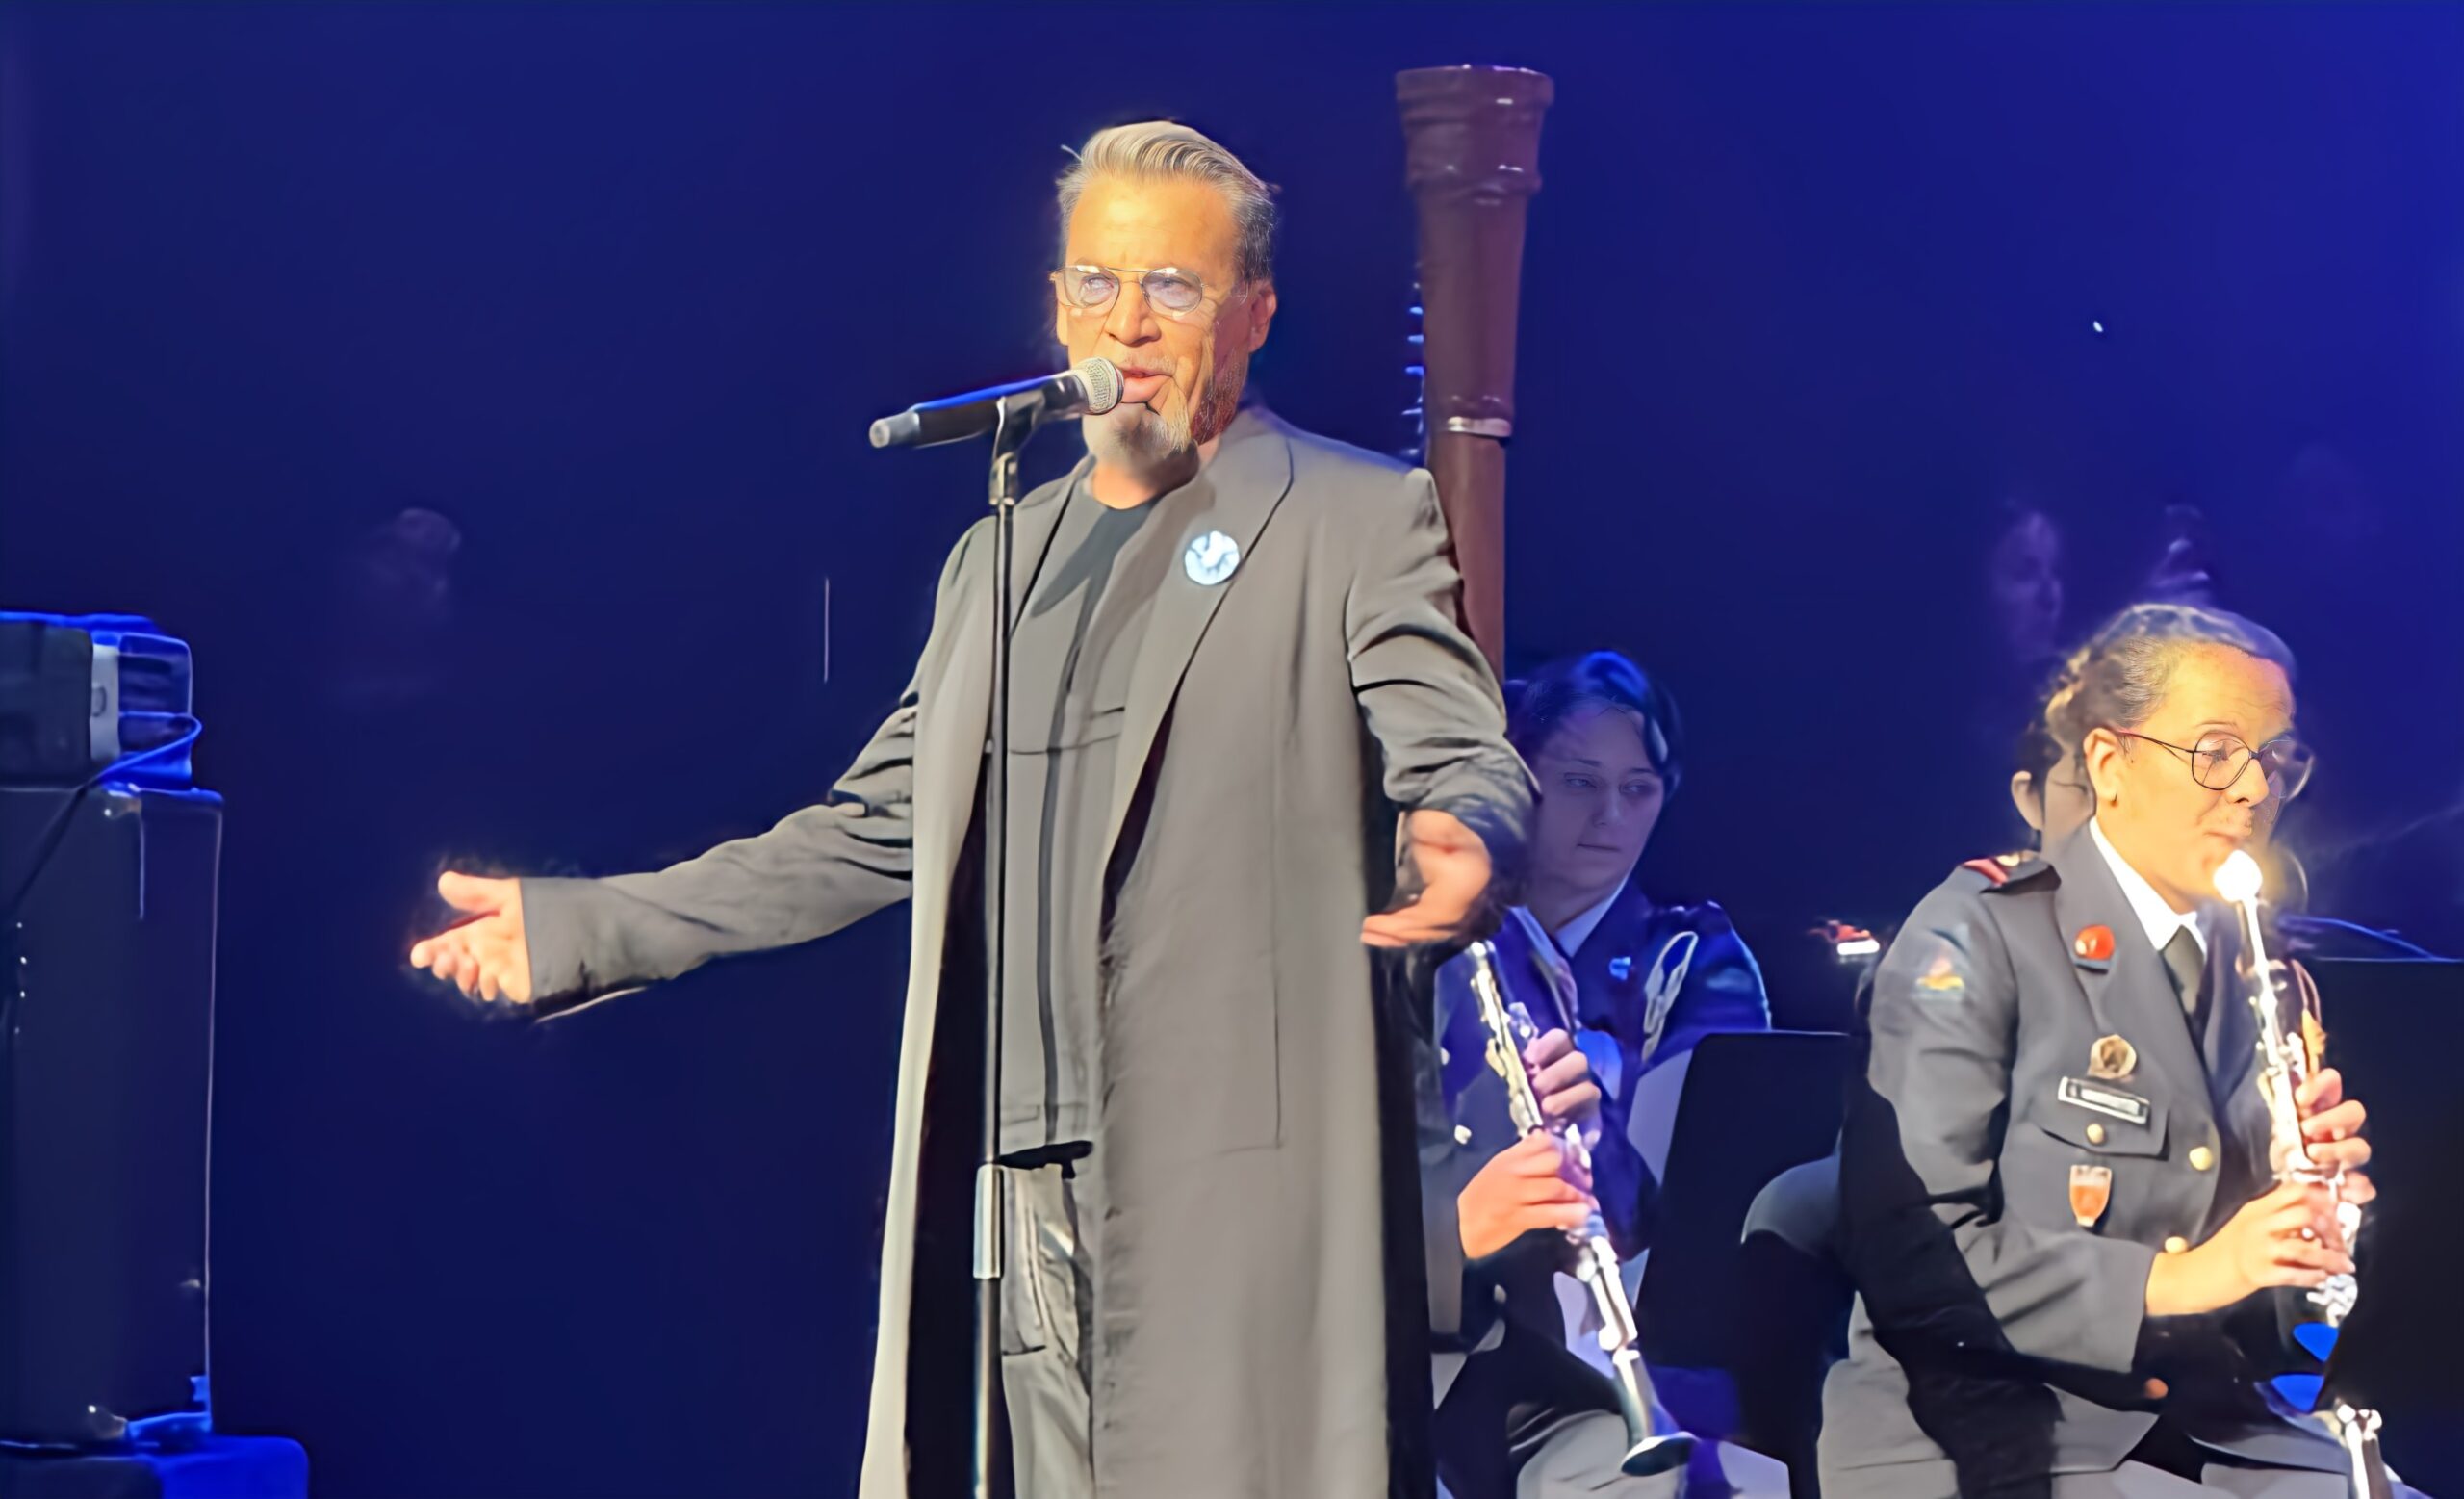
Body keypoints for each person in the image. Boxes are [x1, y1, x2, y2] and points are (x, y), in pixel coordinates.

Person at [407, 121, 1531, 1499]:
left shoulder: (1350, 519)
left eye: (1173, 289)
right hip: (1013, 1197)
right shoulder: (1000, 557)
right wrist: (589, 924)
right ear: (1054, 304)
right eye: (1099, 285)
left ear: (1252, 315)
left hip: (1228, 1193)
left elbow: (1457, 736)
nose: (1129, 324)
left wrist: (1466, 823)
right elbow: (872, 826)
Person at [1821, 603, 2422, 1497]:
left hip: (2214, 1425)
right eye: (2217, 751)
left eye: (2276, 759)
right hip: (1988, 1428)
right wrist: (2182, 1276)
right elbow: (1913, 1256)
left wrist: (2321, 1235)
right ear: (2110, 764)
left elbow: (2285, 1340)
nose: (2254, 790)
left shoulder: (2271, 981)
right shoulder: (1978, 934)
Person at [1425, 651, 1775, 1497]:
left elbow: (1704, 1197)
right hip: (1442, 1340)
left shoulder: (1696, 957)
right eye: (1579, 782)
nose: (1610, 815)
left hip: (1608, 1343)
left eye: (1639, 789)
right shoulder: (1439, 942)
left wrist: (1599, 1141)